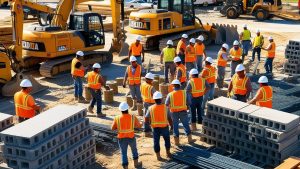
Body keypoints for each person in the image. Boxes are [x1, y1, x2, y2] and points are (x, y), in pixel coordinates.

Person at [111, 102, 142, 169]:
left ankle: (125, 167)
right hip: (131, 137)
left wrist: (118, 127)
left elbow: (112, 128)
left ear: (120, 110)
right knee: (134, 150)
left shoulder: (117, 118)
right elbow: (139, 126)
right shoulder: (133, 117)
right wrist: (141, 123)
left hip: (121, 139)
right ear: (127, 109)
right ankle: (136, 164)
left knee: (123, 153)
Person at [165, 79, 195, 146]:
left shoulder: (170, 94)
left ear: (173, 86)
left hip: (174, 113)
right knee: (186, 125)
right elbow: (189, 102)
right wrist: (186, 106)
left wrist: (171, 107)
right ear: (179, 85)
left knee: (175, 126)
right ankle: (190, 139)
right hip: (183, 112)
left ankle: (177, 142)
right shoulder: (184, 93)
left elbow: (166, 104)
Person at [145, 91, 172, 160]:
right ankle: (168, 153)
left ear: (154, 99)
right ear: (161, 99)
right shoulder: (166, 107)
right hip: (164, 127)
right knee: (167, 140)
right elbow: (169, 118)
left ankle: (158, 156)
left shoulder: (150, 108)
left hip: (155, 128)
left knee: (156, 142)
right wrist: (172, 126)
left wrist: (147, 126)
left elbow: (146, 117)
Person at [140, 72, 156, 137]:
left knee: (146, 117)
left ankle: (146, 131)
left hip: (145, 102)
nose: (152, 81)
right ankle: (153, 130)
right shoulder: (151, 87)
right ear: (149, 79)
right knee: (152, 118)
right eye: (152, 79)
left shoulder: (142, 84)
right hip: (151, 103)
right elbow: (155, 95)